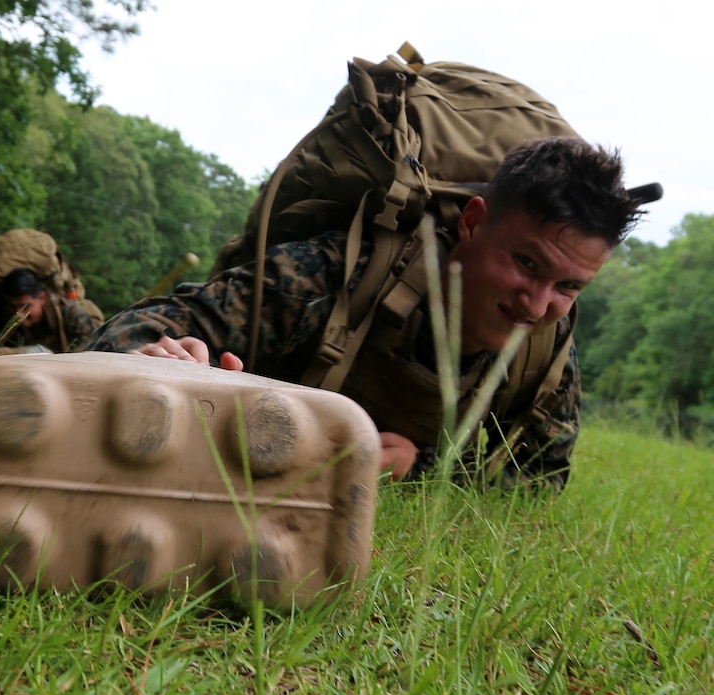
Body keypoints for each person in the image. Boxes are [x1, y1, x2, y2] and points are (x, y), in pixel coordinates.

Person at [86, 137, 644, 490]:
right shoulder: (338, 275)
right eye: (525, 262)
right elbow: (127, 330)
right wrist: (157, 358)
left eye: (569, 286)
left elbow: (542, 477)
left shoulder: (548, 351)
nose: (538, 304)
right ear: (473, 224)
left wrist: (425, 471)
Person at [0, 267, 96, 352]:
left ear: (41, 298)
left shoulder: (71, 315)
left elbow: (89, 355)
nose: (18, 314)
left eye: (25, 307)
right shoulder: (4, 319)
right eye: (12, 307)